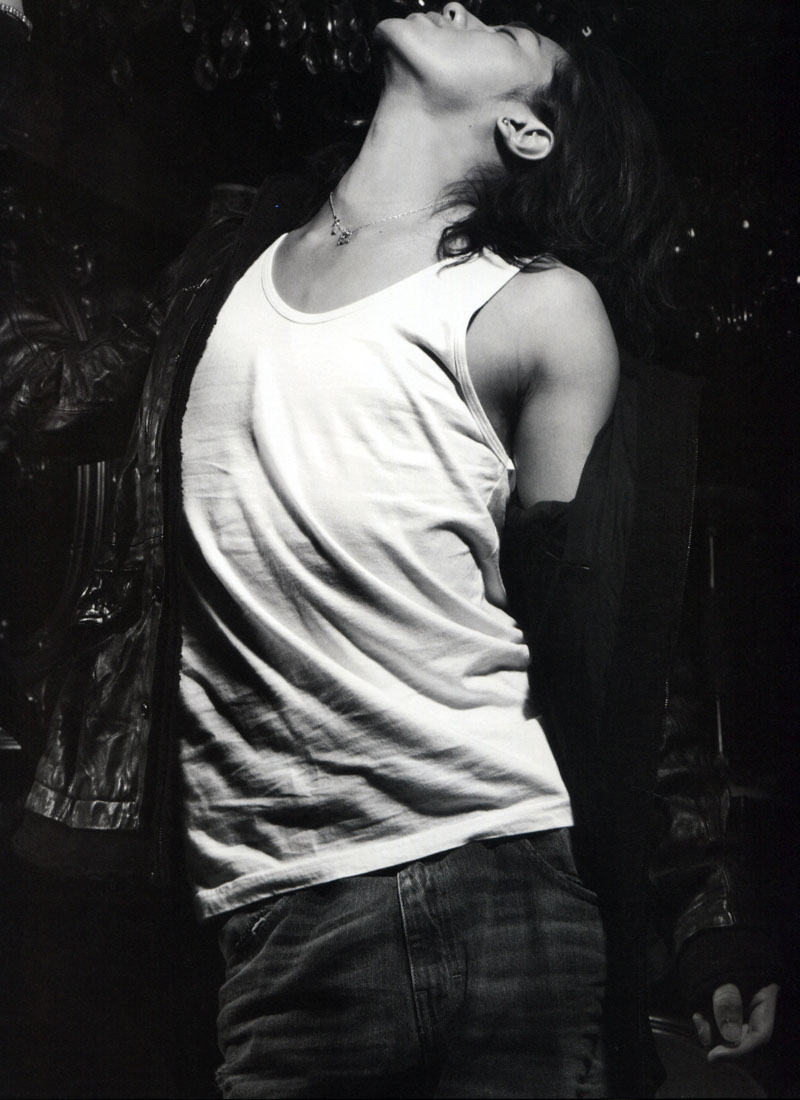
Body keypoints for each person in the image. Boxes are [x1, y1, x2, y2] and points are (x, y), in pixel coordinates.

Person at [0, 2, 779, 1096]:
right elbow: (43, 395)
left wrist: (706, 914)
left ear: (526, 132)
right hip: (277, 922)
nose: (461, 8)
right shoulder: (223, 270)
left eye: (507, 35)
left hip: (506, 886)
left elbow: (610, 637)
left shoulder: (531, 311)